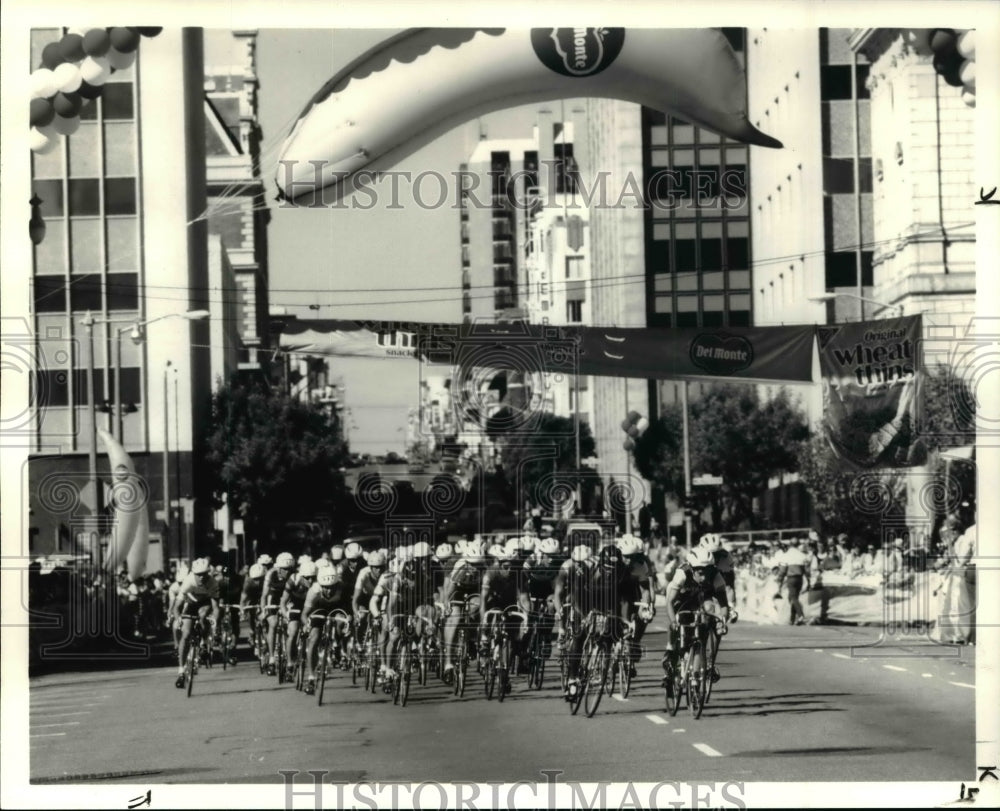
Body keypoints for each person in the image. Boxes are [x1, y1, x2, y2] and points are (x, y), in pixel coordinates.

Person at [661, 545, 731, 687]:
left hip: (703, 597)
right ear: (692, 569)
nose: (704, 577)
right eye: (700, 572)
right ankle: (670, 653)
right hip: (682, 597)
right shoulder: (682, 573)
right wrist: (674, 622)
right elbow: (669, 603)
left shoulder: (717, 576)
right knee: (677, 620)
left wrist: (722, 621)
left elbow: (724, 605)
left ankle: (707, 662)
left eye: (707, 572)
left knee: (710, 614)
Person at [440, 538, 488, 685]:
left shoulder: (484, 568)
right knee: (454, 618)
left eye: (478, 565)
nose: (475, 568)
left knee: (477, 608)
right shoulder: (459, 567)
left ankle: (472, 637)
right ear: (467, 562)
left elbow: (485, 593)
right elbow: (450, 590)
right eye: (473, 565)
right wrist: (446, 605)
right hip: (458, 591)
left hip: (474, 591)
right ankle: (448, 663)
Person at [301, 566, 351, 694]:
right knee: (314, 638)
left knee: (341, 621)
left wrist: (348, 619)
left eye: (331, 587)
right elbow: (305, 614)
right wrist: (307, 624)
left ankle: (338, 644)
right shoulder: (314, 591)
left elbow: (348, 610)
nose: (328, 591)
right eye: (325, 587)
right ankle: (311, 677)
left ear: (336, 585)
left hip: (337, 608)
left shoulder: (342, 588)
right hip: (319, 610)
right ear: (320, 584)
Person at [172, 558, 221, 688]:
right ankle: (181, 671)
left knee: (204, 615)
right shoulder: (188, 582)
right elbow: (176, 607)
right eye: (198, 575)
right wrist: (178, 619)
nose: (201, 577)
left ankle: (204, 643)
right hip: (190, 604)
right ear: (193, 574)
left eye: (204, 574)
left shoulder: (213, 583)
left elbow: (216, 608)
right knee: (186, 635)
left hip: (205, 604)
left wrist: (215, 622)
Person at [259, 552, 295, 675]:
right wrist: (263, 609)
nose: (287, 572)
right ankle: (271, 659)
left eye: (289, 569)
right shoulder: (271, 573)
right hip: (272, 598)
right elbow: (264, 595)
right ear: (278, 568)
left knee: (289, 625)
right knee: (273, 624)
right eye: (285, 569)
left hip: (287, 599)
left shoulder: (294, 575)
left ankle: (290, 655)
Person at [280, 560, 317, 675]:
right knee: (293, 631)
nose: (310, 580)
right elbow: (283, 602)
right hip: (294, 605)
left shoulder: (317, 583)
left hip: (310, 607)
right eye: (307, 578)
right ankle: (290, 662)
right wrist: (286, 614)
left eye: (313, 577)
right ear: (301, 576)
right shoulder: (293, 580)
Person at [776, 538, 811, 625]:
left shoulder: (787, 555)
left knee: (792, 597)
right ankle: (792, 619)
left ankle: (800, 615)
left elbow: (783, 569)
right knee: (795, 597)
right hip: (800, 578)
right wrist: (808, 579)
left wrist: (780, 579)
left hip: (791, 577)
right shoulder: (802, 555)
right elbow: (806, 569)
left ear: (790, 544)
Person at [240, 563, 266, 655]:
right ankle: (252, 631)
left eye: (260, 579)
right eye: (255, 579)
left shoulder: (267, 581)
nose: (258, 582)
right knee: (251, 612)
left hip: (265, 600)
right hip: (253, 599)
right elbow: (243, 598)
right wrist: (242, 610)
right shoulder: (248, 582)